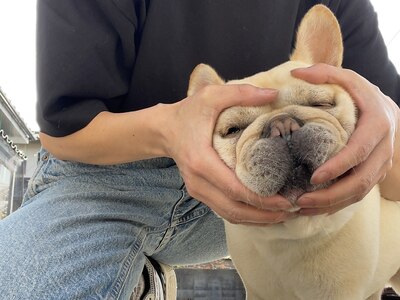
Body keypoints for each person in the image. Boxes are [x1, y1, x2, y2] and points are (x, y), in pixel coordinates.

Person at [0, 0, 399, 299]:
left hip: (246, 197)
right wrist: (171, 130)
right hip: (103, 178)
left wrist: (388, 129)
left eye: (318, 104)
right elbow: (65, 126)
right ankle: (139, 282)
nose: (285, 131)